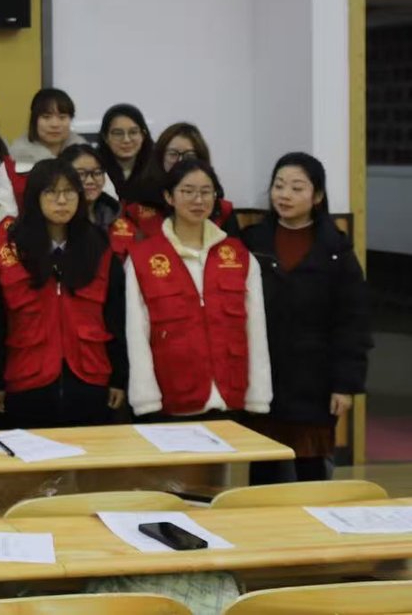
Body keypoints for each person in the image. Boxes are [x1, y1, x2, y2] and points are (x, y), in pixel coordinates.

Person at [240, 154, 371, 483]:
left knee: (311, 473)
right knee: (264, 472)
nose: (284, 195)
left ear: (317, 196)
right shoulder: (252, 241)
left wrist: (345, 384)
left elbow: (352, 322)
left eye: (297, 188)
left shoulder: (336, 250)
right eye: (279, 186)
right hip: (264, 377)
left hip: (315, 379)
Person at [0, 160, 127, 429]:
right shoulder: (11, 249)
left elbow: (115, 318)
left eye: (69, 192)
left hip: (90, 378)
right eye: (51, 192)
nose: (62, 201)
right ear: (34, 197)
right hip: (26, 379)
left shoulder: (99, 246)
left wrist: (119, 377)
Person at [123, 160, 270, 421]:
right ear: (169, 197)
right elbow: (137, 333)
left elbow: (256, 330)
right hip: (172, 398)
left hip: (231, 397)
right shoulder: (144, 258)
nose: (198, 200)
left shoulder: (238, 255)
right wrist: (146, 400)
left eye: (205, 192)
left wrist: (258, 396)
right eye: (187, 191)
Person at [0, 87, 90, 216]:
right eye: (46, 117)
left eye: (62, 117)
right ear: (34, 120)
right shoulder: (11, 167)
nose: (55, 124)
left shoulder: (88, 161)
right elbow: (4, 218)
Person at [135, 123, 240, 235]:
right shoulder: (142, 205)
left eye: (189, 156)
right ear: (161, 157)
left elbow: (232, 246)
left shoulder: (221, 210)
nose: (180, 161)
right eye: (173, 154)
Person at [58, 144, 133, 256]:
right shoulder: (55, 222)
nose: (90, 181)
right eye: (80, 174)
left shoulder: (118, 216)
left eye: (97, 173)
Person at [98, 103, 156, 218]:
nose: (126, 140)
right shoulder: (95, 168)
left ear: (143, 135)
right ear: (105, 137)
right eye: (118, 133)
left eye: (133, 132)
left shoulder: (159, 166)